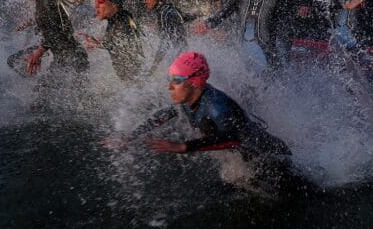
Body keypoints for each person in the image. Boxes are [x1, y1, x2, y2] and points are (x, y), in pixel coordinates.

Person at [120, 52, 291, 175]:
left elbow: (233, 138)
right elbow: (163, 115)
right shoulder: (187, 100)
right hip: (251, 157)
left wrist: (185, 146)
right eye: (169, 79)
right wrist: (130, 137)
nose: (169, 87)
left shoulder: (216, 106)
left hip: (273, 157)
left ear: (194, 82)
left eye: (176, 81)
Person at [194, 0, 291, 73]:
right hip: (246, 59)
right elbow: (223, 13)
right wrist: (207, 23)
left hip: (269, 61)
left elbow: (286, 30)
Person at [7, 0, 89, 77]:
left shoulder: (46, 2)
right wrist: (32, 21)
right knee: (13, 60)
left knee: (44, 92)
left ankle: (32, 75)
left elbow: (57, 31)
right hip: (66, 54)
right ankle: (32, 75)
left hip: (71, 58)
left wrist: (40, 51)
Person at [81, 0, 144, 82]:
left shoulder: (122, 24)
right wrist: (97, 43)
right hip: (131, 82)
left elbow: (125, 50)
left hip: (132, 83)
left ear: (114, 4)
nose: (96, 5)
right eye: (96, 0)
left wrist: (97, 44)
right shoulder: (119, 18)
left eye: (101, 1)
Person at [142, 0, 187, 75]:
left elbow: (164, 44)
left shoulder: (164, 14)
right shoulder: (169, 9)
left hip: (179, 62)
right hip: (183, 57)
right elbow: (185, 18)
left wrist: (152, 69)